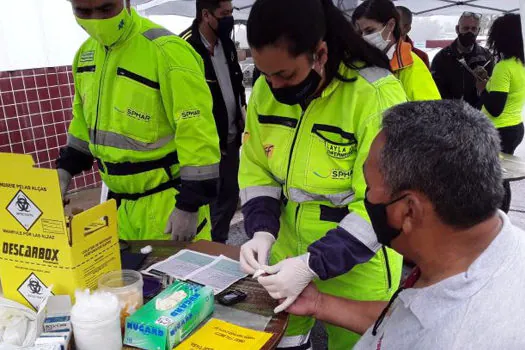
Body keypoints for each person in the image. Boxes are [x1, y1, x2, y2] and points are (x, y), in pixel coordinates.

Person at [281, 100, 525, 349]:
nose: (365, 196)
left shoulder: (450, 338)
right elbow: (407, 321)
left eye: (369, 185)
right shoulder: (490, 249)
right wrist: (320, 304)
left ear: (408, 210)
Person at [239, 0, 407, 348]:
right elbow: (256, 166)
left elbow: (384, 203)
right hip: (284, 261)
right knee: (280, 342)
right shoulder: (266, 93)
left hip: (360, 266)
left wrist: (313, 264)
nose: (273, 87)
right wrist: (260, 231)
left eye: (285, 74)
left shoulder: (375, 95)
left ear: (320, 53)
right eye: (264, 74)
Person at [56, 0, 221, 241]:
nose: (96, 20)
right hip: (119, 209)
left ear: (127, 2)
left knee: (176, 279)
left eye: (105, 9)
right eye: (83, 11)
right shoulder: (84, 57)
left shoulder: (167, 51)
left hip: (168, 207)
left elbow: (197, 132)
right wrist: (64, 172)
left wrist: (189, 205)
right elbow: (82, 124)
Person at [180, 0, 247, 244]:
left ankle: (218, 244)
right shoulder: (186, 46)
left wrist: (242, 112)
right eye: (225, 14)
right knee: (207, 200)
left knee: (229, 196)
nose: (230, 18)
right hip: (206, 145)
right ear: (206, 14)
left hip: (231, 138)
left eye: (231, 12)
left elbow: (236, 82)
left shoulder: (226, 44)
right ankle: (205, 247)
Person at [479, 14, 525, 213]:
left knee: (494, 179)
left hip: (498, 130)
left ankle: (497, 218)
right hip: (514, 126)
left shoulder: (504, 67)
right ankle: (501, 216)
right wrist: (490, 81)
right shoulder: (520, 65)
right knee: (501, 177)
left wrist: (482, 88)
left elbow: (495, 109)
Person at [352, 0, 440, 102]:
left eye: (370, 31)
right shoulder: (359, 63)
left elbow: (430, 113)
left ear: (391, 25)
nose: (364, 38)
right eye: (359, 33)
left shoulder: (411, 66)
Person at [431, 12, 493, 108]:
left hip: (479, 116)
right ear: (457, 29)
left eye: (473, 29)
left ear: (478, 30)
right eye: (466, 28)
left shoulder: (486, 57)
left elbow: (493, 90)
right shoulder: (441, 58)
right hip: (451, 116)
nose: (470, 32)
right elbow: (435, 91)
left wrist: (486, 82)